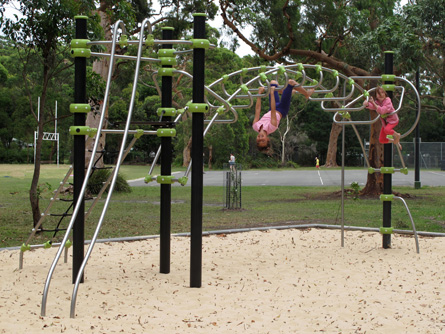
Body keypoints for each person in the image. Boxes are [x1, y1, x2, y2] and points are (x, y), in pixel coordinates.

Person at [253, 79, 314, 153]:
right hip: (282, 109)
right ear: (267, 139)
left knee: (272, 83)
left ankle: (287, 92)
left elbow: (257, 109)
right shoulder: (272, 128)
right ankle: (306, 94)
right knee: (290, 82)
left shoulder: (255, 126)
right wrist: (272, 93)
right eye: (263, 140)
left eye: (259, 141)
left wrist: (259, 94)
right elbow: (273, 110)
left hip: (273, 106)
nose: (260, 138)